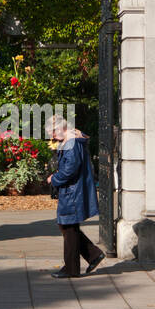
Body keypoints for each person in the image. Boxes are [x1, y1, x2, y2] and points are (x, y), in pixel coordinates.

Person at [46, 115, 104, 278]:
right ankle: (93, 255)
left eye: (52, 132)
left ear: (60, 128)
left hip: (72, 191)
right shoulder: (71, 141)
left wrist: (54, 179)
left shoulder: (70, 143)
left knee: (67, 225)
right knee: (68, 226)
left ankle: (72, 268)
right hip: (73, 190)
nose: (52, 136)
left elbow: (70, 169)